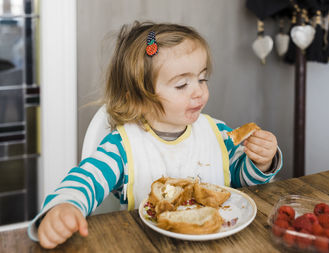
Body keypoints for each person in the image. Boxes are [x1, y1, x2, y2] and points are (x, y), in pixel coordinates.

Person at [28, 21, 282, 249]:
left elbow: (242, 181)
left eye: (202, 79)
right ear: (139, 100)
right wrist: (65, 206)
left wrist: (260, 161)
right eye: (182, 84)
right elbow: (86, 180)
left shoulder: (217, 133)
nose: (198, 92)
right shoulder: (122, 147)